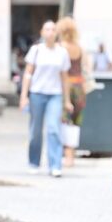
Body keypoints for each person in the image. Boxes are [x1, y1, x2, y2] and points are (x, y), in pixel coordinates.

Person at [19, 20, 73, 178]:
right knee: (35, 131)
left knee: (53, 129)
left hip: (55, 95)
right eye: (47, 29)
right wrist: (24, 96)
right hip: (37, 93)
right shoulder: (36, 50)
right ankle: (34, 162)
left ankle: (55, 165)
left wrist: (67, 100)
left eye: (53, 29)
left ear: (56, 33)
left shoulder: (62, 53)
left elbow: (65, 78)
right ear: (42, 32)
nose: (50, 32)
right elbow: (28, 74)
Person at [57, 16, 86, 167]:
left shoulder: (62, 47)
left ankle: (66, 156)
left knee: (65, 120)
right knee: (76, 121)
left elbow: (62, 71)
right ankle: (72, 155)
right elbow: (86, 69)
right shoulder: (79, 48)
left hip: (66, 87)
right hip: (80, 87)